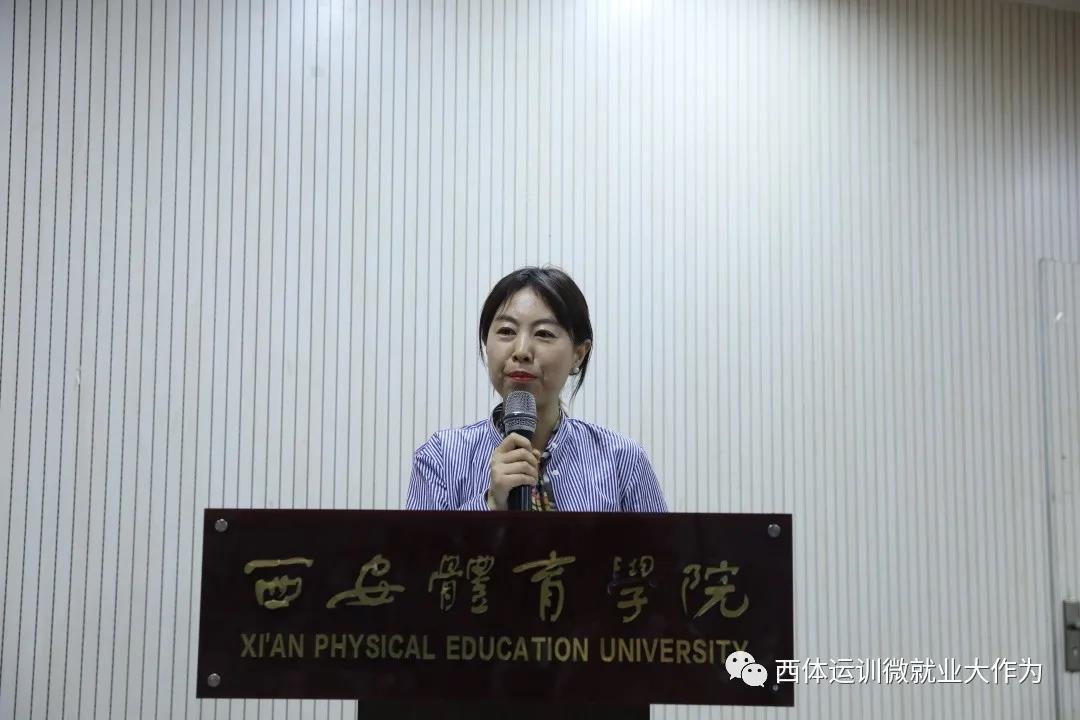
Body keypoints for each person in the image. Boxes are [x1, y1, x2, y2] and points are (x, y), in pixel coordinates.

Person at [405, 266, 667, 512]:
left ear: (578, 354)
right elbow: (418, 548)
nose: (521, 351)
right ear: (486, 343)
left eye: (543, 334)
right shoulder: (441, 457)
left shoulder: (622, 461)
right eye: (506, 331)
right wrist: (491, 504)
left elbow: (663, 547)